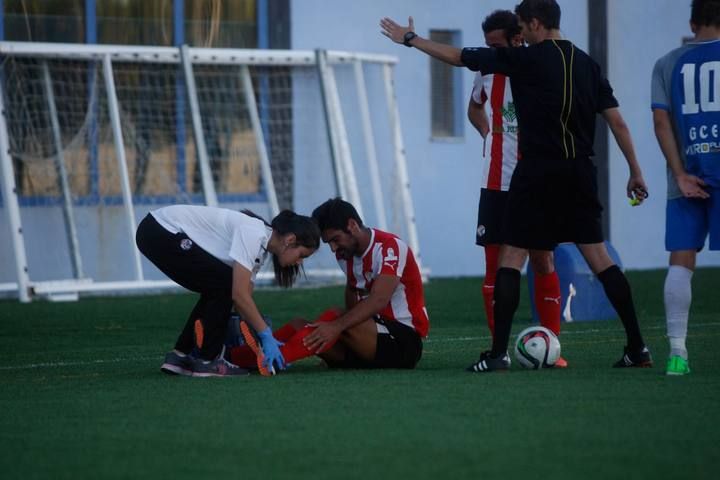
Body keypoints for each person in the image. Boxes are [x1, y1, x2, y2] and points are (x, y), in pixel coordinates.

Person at [381, 0, 652, 372]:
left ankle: (497, 355)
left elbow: (460, 56)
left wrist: (411, 39)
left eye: (523, 27)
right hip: (580, 174)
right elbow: (618, 122)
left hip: (536, 172)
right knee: (599, 258)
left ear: (537, 24)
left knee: (510, 257)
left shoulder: (526, 60)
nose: (520, 34)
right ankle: (638, 347)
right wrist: (635, 170)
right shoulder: (588, 65)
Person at [467, 9, 566, 369]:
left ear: (517, 39)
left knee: (543, 259)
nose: (490, 51)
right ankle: (500, 351)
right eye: (486, 44)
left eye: (495, 45)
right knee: (493, 266)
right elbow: (474, 109)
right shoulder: (485, 71)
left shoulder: (537, 68)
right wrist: (489, 136)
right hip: (494, 182)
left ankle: (552, 349)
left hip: (535, 180)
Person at [232, 198, 429, 373]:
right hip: (372, 341)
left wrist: (337, 327)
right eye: (329, 243)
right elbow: (353, 290)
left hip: (403, 342)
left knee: (335, 317)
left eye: (335, 239)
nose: (334, 248)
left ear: (352, 225)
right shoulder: (346, 254)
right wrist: (342, 334)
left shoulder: (390, 247)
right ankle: (233, 358)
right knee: (298, 324)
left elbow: (379, 300)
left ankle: (270, 362)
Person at [135, 205, 320, 377]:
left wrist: (262, 339)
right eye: (302, 255)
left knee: (219, 285)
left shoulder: (259, 252)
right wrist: (266, 335)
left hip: (157, 232)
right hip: (158, 229)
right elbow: (239, 295)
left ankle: (181, 355)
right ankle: (208, 360)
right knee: (225, 283)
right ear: (290, 240)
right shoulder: (253, 232)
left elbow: (243, 301)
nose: (300, 262)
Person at [652, 0, 720, 376]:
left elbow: (661, 123)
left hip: (687, 176)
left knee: (681, 262)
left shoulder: (668, 62)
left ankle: (678, 354)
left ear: (692, 22)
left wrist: (679, 173)